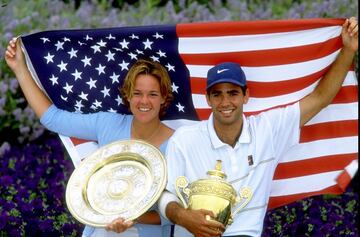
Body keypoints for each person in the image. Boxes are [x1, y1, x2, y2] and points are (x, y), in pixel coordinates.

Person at [158, 17, 358, 237]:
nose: (225, 102)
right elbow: (165, 194)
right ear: (207, 99)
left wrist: (348, 50)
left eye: (233, 93)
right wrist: (183, 217)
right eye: (217, 94)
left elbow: (320, 98)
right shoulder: (185, 138)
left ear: (246, 96)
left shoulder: (267, 131)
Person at [5, 39, 175, 237]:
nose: (144, 101)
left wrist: (131, 218)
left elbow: (178, 212)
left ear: (164, 97)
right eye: (137, 93)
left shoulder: (178, 143)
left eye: (152, 94)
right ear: (127, 95)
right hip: (99, 231)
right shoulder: (108, 124)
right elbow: (53, 118)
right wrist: (20, 69)